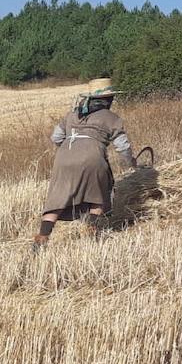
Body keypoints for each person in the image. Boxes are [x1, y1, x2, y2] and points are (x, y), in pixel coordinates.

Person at [33, 79, 137, 250]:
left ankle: (41, 240)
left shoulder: (72, 114)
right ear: (109, 100)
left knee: (57, 200)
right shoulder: (112, 118)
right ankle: (92, 233)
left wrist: (71, 151)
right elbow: (123, 147)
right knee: (97, 197)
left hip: (63, 158)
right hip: (92, 159)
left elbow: (56, 138)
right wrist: (130, 163)